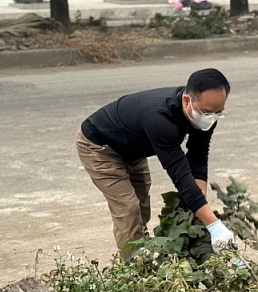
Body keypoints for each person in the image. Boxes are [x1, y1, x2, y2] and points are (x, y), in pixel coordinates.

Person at [76, 68, 235, 259]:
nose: (212, 117)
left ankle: (141, 253)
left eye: (219, 112)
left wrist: (199, 200)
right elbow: (180, 174)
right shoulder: (160, 119)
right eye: (208, 112)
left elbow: (198, 157)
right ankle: (135, 270)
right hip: (100, 147)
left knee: (142, 205)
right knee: (128, 207)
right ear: (186, 100)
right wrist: (213, 225)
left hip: (133, 148)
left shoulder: (205, 114)